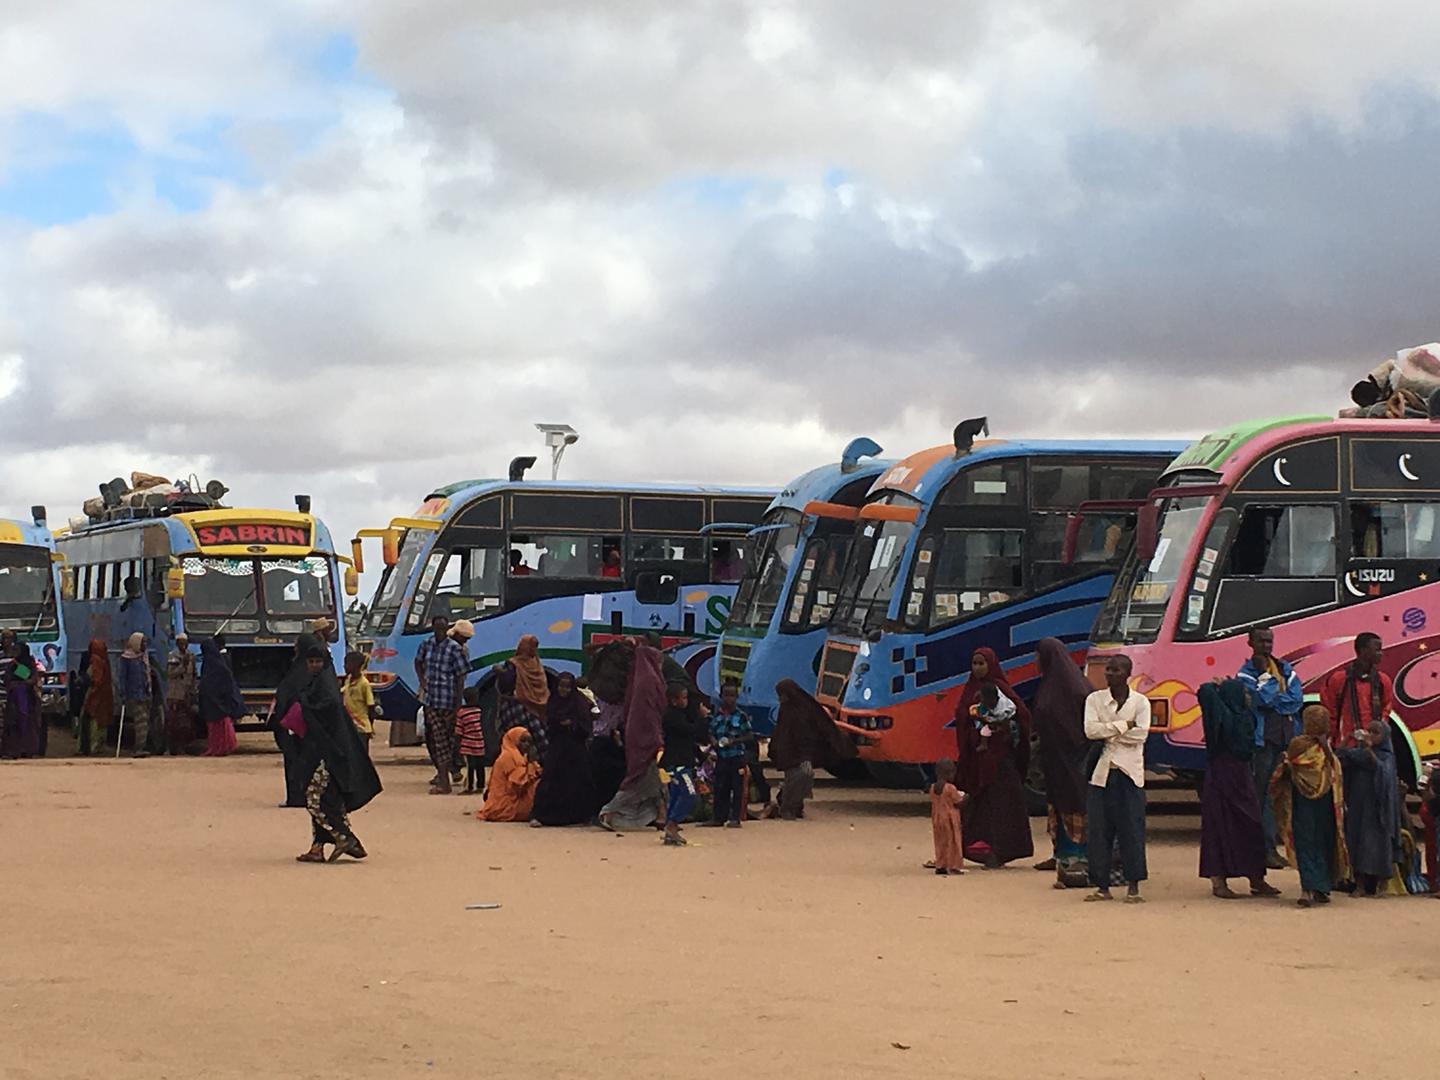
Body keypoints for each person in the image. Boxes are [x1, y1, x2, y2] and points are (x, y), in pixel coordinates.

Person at [290, 643, 382, 862]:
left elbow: (326, 709)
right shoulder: (313, 684)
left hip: (330, 753)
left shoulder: (326, 687)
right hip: (316, 750)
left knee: (315, 798)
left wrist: (304, 705)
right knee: (328, 797)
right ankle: (317, 848)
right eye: (311, 662)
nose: (314, 665)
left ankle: (345, 837)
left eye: (318, 662)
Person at [1197, 678, 1280, 899]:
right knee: (1219, 827)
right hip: (1221, 778)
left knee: (1251, 825)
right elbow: (1204, 692)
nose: (1248, 696)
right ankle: (1218, 881)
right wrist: (1215, 685)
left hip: (1242, 777)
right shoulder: (1219, 720)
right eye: (1243, 692)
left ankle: (1256, 879)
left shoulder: (1245, 717)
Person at [953, 648, 1033, 867]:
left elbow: (1021, 716)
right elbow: (962, 717)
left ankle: (1002, 851)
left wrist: (1002, 727)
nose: (977, 668)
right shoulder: (970, 690)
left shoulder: (1001, 689)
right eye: (974, 663)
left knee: (1002, 805)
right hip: (977, 759)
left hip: (999, 759)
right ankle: (972, 850)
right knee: (977, 807)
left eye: (982, 663)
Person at [1083, 655, 1150, 903]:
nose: (1110, 674)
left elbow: (1140, 735)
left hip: (1129, 774)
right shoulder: (1095, 699)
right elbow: (1090, 731)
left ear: (1127, 673)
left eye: (1116, 670)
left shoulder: (1140, 702)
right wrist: (1124, 725)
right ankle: (1102, 886)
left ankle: (1133, 886)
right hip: (1101, 774)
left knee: (1131, 830)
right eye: (1108, 670)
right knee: (1099, 831)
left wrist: (1109, 730)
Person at [1236, 627, 1304, 869]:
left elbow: (1296, 701)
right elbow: (1258, 701)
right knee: (1262, 794)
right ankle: (1265, 848)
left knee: (1285, 793)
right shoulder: (1245, 674)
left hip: (1286, 740)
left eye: (1269, 641)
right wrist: (1268, 679)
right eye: (1261, 641)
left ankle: (1287, 847)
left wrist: (1271, 696)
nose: (1266, 645)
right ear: (1250, 643)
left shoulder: (1285, 668)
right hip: (1263, 742)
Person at [1272, 704, 1350, 908]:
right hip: (1319, 804)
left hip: (1306, 804)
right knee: (1320, 842)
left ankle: (1315, 888)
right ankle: (1313, 887)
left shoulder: (1300, 743)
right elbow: (1333, 771)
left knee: (1309, 842)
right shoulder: (1312, 746)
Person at [1029, 638, 1091, 884]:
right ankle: (1060, 854)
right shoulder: (1052, 685)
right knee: (1058, 804)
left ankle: (1078, 856)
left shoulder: (1073, 690)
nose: (1035, 662)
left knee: (1074, 804)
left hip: (1073, 760)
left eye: (1037, 656)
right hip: (1055, 759)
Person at [597, 639, 667, 831]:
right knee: (640, 778)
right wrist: (657, 739)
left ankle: (661, 815)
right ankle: (609, 811)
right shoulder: (649, 682)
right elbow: (650, 714)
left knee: (653, 779)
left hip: (636, 737)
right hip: (648, 738)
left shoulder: (637, 680)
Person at [767, 678, 857, 820]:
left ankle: (792, 804)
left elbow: (822, 724)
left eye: (782, 694)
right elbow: (782, 732)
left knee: (805, 775)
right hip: (790, 753)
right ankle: (788, 807)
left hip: (804, 751)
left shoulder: (807, 708)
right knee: (794, 778)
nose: (780, 698)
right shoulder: (787, 710)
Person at [1337, 719, 1403, 896]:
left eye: (1376, 733)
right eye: (1370, 731)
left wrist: (1367, 749)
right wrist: (1348, 738)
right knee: (1356, 840)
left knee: (1378, 843)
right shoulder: (1359, 753)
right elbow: (1341, 757)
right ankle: (1359, 884)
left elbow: (1381, 770)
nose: (1372, 736)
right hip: (1359, 805)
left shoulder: (1387, 756)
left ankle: (1381, 885)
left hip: (1378, 809)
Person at [531, 672, 599, 826]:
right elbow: (549, 722)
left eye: (568, 687)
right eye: (561, 686)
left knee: (578, 780)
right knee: (550, 780)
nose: (564, 690)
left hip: (575, 749)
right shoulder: (553, 701)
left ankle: (578, 816)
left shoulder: (579, 702)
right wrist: (559, 724)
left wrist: (572, 725)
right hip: (557, 748)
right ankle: (542, 816)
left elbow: (585, 725)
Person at [272, 634, 328, 807]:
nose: (294, 648)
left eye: (297, 645)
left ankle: (297, 797)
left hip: (298, 727)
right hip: (303, 727)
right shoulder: (309, 671)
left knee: (298, 761)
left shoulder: (302, 671)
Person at [415, 616, 467, 795]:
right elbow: (418, 662)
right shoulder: (426, 644)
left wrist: (458, 703)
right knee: (438, 741)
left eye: (442, 628)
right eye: (436, 628)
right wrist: (422, 681)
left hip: (448, 700)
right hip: (431, 700)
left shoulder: (454, 649)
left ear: (447, 629)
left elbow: (461, 676)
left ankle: (447, 778)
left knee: (448, 741)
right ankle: (444, 780)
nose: (439, 631)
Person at [1321, 633, 1393, 750]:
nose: (1381, 653)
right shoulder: (1339, 679)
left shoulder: (1383, 681)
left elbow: (1386, 710)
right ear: (1363, 651)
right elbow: (1329, 711)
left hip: (1373, 747)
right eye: (1377, 650)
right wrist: (1331, 740)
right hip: (1346, 745)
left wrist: (1376, 736)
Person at [659, 682, 711, 845]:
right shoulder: (671, 717)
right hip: (677, 763)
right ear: (674, 700)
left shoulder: (680, 715)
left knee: (676, 794)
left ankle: (670, 826)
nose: (686, 701)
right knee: (689, 793)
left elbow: (688, 741)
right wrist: (703, 718)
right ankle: (673, 824)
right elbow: (691, 731)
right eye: (683, 698)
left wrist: (702, 757)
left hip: (681, 761)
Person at [703, 680, 754, 829]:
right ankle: (718, 817)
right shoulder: (716, 716)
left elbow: (750, 736)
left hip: (736, 756)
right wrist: (712, 740)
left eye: (732, 695)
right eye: (726, 695)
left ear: (737, 697)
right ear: (721, 696)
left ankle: (735, 818)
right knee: (720, 787)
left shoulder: (741, 716)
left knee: (737, 788)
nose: (729, 699)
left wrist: (735, 741)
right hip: (722, 757)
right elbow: (710, 732)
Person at [494, 634, 551, 760]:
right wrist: (502, 674)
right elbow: (505, 687)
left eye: (535, 647)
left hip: (536, 708)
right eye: (532, 647)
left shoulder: (536, 663)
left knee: (541, 739)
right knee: (518, 741)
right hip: (517, 708)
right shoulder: (513, 664)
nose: (534, 650)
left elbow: (542, 687)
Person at [477, 728, 542, 822]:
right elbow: (518, 785)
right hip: (504, 805)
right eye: (523, 741)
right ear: (514, 740)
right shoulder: (508, 758)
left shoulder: (519, 757)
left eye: (529, 741)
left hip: (510, 800)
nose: (527, 744)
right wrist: (532, 763)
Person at [198, 637, 243, 757]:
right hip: (213, 701)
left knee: (218, 726)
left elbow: (225, 683)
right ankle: (216, 748)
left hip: (217, 701)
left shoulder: (216, 665)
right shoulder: (214, 663)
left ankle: (220, 748)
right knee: (214, 727)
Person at [0, 638, 41, 759]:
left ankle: (28, 750)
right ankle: (12, 751)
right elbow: (7, 679)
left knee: (28, 722)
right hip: (13, 699)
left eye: (17, 650)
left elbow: (33, 679)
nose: (15, 652)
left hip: (28, 699)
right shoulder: (12, 664)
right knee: (12, 723)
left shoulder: (29, 663)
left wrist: (22, 683)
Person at [929, 759, 967, 876]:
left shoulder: (932, 787)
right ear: (948, 773)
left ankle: (941, 865)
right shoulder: (950, 788)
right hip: (950, 819)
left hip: (937, 818)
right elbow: (958, 803)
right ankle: (954, 866)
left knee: (940, 842)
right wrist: (967, 797)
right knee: (953, 842)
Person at [117, 633, 153, 758]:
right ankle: (139, 747)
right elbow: (122, 678)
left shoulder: (143, 657)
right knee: (141, 721)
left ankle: (141, 746)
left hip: (144, 693)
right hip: (134, 694)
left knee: (145, 721)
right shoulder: (126, 658)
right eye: (142, 643)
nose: (144, 645)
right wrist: (122, 693)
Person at [165, 635, 198, 755]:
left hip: (186, 695)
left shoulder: (191, 657)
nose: (184, 645)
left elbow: (194, 675)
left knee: (184, 724)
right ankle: (168, 748)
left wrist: (193, 690)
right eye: (181, 643)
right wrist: (182, 666)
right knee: (171, 723)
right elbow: (170, 673)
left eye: (186, 643)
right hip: (174, 694)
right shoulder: (173, 656)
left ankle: (181, 748)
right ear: (177, 643)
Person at [80, 639, 113, 757]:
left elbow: (96, 679)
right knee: (102, 721)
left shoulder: (95, 660)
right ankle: (99, 746)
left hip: (95, 694)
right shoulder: (105, 660)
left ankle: (92, 747)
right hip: (104, 695)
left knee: (92, 720)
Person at [340, 651, 378, 742]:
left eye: (347, 664)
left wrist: (370, 725)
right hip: (350, 726)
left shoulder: (364, 684)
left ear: (356, 665)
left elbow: (370, 706)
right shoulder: (348, 680)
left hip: (362, 727)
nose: (344, 666)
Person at [456, 685, 487, 795]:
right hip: (480, 743)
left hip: (467, 745)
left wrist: (458, 746)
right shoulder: (479, 711)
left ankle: (469, 787)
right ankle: (480, 786)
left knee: (470, 766)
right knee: (480, 766)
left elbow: (459, 731)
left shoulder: (461, 713)